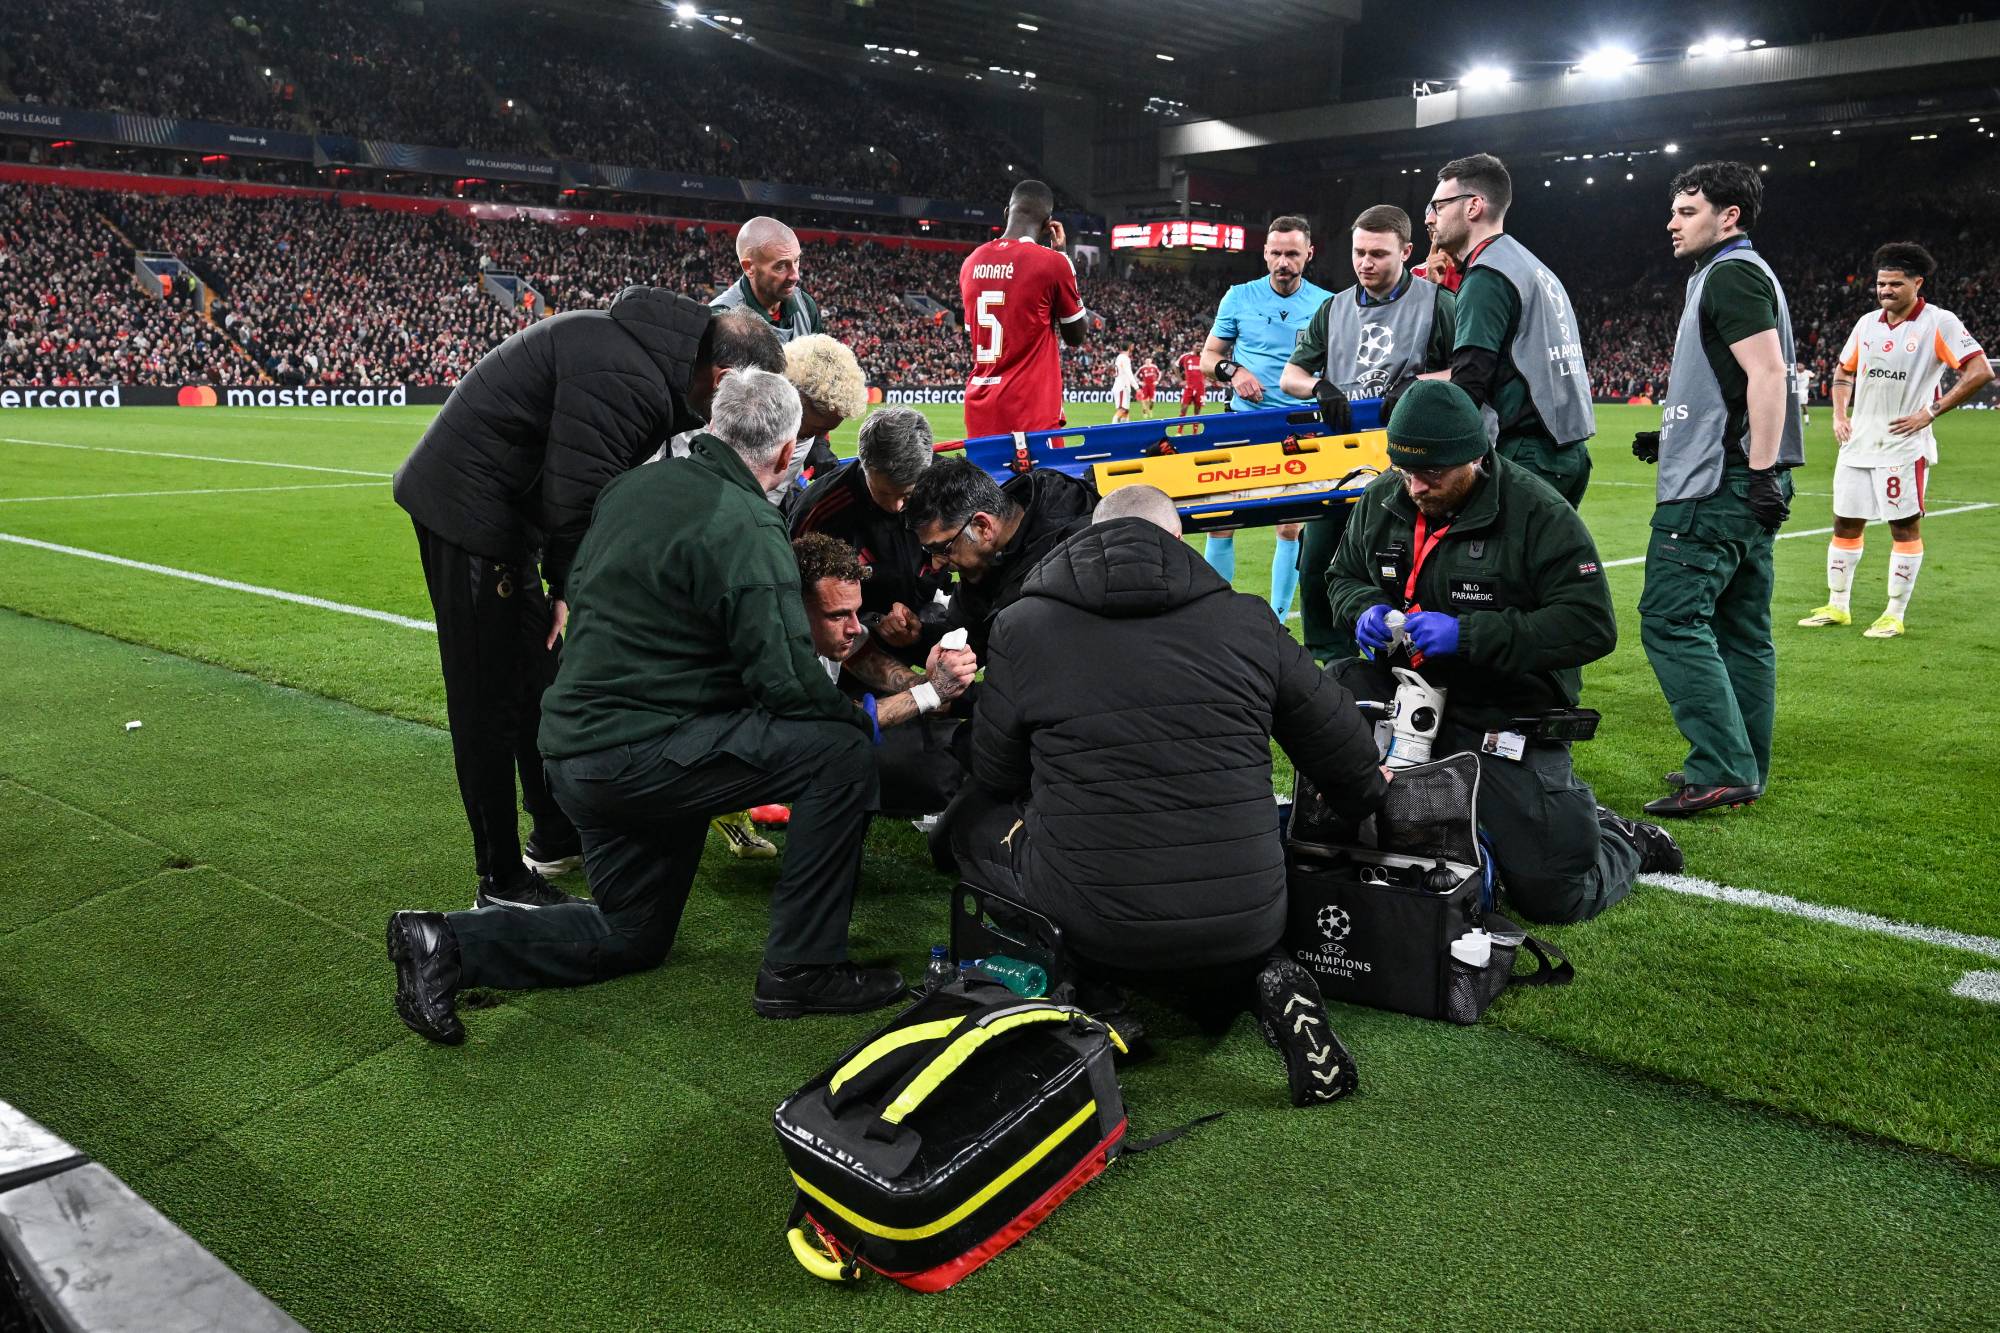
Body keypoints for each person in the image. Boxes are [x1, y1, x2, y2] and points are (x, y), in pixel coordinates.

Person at [386, 370, 905, 1046]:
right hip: (642, 754)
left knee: (633, 933)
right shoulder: (749, 523)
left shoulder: (633, 486)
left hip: (576, 754)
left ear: (714, 427)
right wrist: (867, 716)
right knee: (838, 755)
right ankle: (803, 969)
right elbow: (785, 684)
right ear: (785, 454)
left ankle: (445, 941)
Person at [951, 483, 1388, 1107]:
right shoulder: (1248, 619)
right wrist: (1369, 799)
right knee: (1217, 878)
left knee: (973, 828)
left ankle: (1088, 991)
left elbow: (995, 774)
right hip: (1251, 914)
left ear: (1086, 541)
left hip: (1096, 920)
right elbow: (1348, 757)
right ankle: (1268, 974)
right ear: (1179, 543)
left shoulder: (1022, 627)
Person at [393, 295, 783, 910]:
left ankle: (553, 833)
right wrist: (569, 592)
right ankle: (499, 879)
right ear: (725, 377)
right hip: (466, 514)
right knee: (488, 696)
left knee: (537, 680)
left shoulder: (636, 359)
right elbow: (577, 501)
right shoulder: (626, 376)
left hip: (503, 518)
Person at [1330, 381, 1681, 922]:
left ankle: (1621, 839)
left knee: (1552, 894)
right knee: (1333, 699)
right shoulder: (1384, 495)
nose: (1416, 487)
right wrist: (1363, 611)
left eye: (1431, 475)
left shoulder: (1538, 512)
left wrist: (1469, 635)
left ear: (1473, 457)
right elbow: (1345, 575)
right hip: (1402, 692)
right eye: (1404, 470)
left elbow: (1590, 625)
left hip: (1498, 707)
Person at [1631, 163, 1804, 818]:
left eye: (1686, 210)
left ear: (1728, 216)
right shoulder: (1739, 273)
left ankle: (1723, 765)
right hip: (1737, 476)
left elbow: (1766, 373)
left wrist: (1757, 470)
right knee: (1742, 628)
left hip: (1717, 486)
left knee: (1672, 618)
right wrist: (1671, 432)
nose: (1672, 222)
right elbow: (1733, 385)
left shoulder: (1730, 274)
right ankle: (1744, 764)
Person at [1280, 204, 1458, 660]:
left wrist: (1419, 384)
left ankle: (1407, 653)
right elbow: (1291, 376)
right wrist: (1319, 385)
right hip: (1341, 458)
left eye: (1378, 253)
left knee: (1398, 561)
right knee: (1318, 557)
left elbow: (1471, 371)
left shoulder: (1439, 303)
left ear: (1406, 251)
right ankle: (1327, 657)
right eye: (1359, 252)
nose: (1365, 263)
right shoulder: (1333, 307)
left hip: (1411, 459)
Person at [1799, 243, 1991, 638]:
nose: (1885, 291)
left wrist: (1931, 412)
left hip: (1903, 446)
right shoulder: (1867, 323)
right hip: (1858, 443)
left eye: (1894, 284)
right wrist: (1839, 414)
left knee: (1903, 527)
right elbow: (1843, 372)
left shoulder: (1940, 322)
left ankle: (1894, 613)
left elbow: (1980, 371)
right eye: (1880, 284)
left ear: (1917, 284)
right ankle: (1838, 605)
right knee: (1844, 523)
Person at [1426, 154, 1596, 508]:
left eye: (1439, 205)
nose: (1432, 216)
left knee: (1491, 562)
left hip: (1527, 452)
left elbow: (1470, 380)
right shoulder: (1531, 266)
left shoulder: (1487, 274)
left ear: (1473, 206)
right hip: (1569, 451)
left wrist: (1438, 460)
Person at [1199, 215, 1333, 615]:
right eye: (1275, 253)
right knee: (1220, 519)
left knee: (1289, 525)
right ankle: (1214, 617)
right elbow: (1209, 357)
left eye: (1292, 254)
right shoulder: (1239, 296)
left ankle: (1276, 619)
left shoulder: (1326, 303)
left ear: (1308, 254)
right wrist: (1233, 371)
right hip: (1243, 423)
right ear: (1265, 253)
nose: (1283, 262)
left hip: (1301, 426)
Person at [795, 533, 977, 816]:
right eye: (838, 615)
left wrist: (946, 691)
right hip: (727, 758)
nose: (855, 627)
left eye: (856, 612)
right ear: (796, 608)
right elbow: (845, 722)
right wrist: (933, 692)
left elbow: (868, 658)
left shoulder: (823, 628)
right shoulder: (777, 651)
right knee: (844, 753)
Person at [792, 406, 947, 666]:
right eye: (885, 493)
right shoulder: (822, 512)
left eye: (908, 495)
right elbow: (804, 601)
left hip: (926, 618)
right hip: (857, 642)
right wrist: (873, 622)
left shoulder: (946, 486)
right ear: (865, 467)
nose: (897, 506)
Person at [904, 457, 1098, 660]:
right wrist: (920, 637)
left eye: (943, 548)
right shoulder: (991, 551)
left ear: (983, 526)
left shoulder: (1078, 558)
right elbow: (969, 637)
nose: (937, 563)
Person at [958, 180, 1086, 439]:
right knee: (1042, 481)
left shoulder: (970, 263)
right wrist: (1063, 257)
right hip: (1030, 413)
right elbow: (1076, 336)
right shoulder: (1052, 263)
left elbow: (974, 333)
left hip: (979, 409)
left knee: (986, 481)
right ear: (1049, 222)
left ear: (1007, 212)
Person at [710, 216, 825, 341]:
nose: (795, 276)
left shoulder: (806, 305)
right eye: (780, 266)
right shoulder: (720, 320)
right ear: (749, 268)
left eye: (796, 260)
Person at [1175, 344, 1206, 429]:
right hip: (1189, 387)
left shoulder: (1204, 357)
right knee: (1184, 408)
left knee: (1197, 411)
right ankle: (1179, 431)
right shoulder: (1186, 356)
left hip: (1200, 388)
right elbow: (1176, 365)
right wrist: (1180, 380)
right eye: (1197, 346)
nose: (1199, 348)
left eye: (1200, 346)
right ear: (1193, 347)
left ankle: (1195, 432)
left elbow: (1210, 367)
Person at [1111, 344, 1138, 422]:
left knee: (1125, 411)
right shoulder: (1125, 358)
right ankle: (1113, 427)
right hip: (1122, 387)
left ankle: (1124, 431)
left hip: (1121, 386)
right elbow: (1128, 373)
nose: (1134, 346)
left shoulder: (1119, 357)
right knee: (1122, 410)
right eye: (1132, 345)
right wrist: (1137, 387)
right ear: (1129, 347)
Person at [1792, 360, 1814, 426]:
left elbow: (1814, 377)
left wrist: (1810, 384)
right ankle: (1794, 421)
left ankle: (1806, 421)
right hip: (1795, 391)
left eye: (1800, 365)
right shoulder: (1794, 373)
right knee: (1794, 407)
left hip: (1803, 391)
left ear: (1804, 366)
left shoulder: (1808, 372)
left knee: (1803, 406)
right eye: (1798, 365)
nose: (1799, 366)